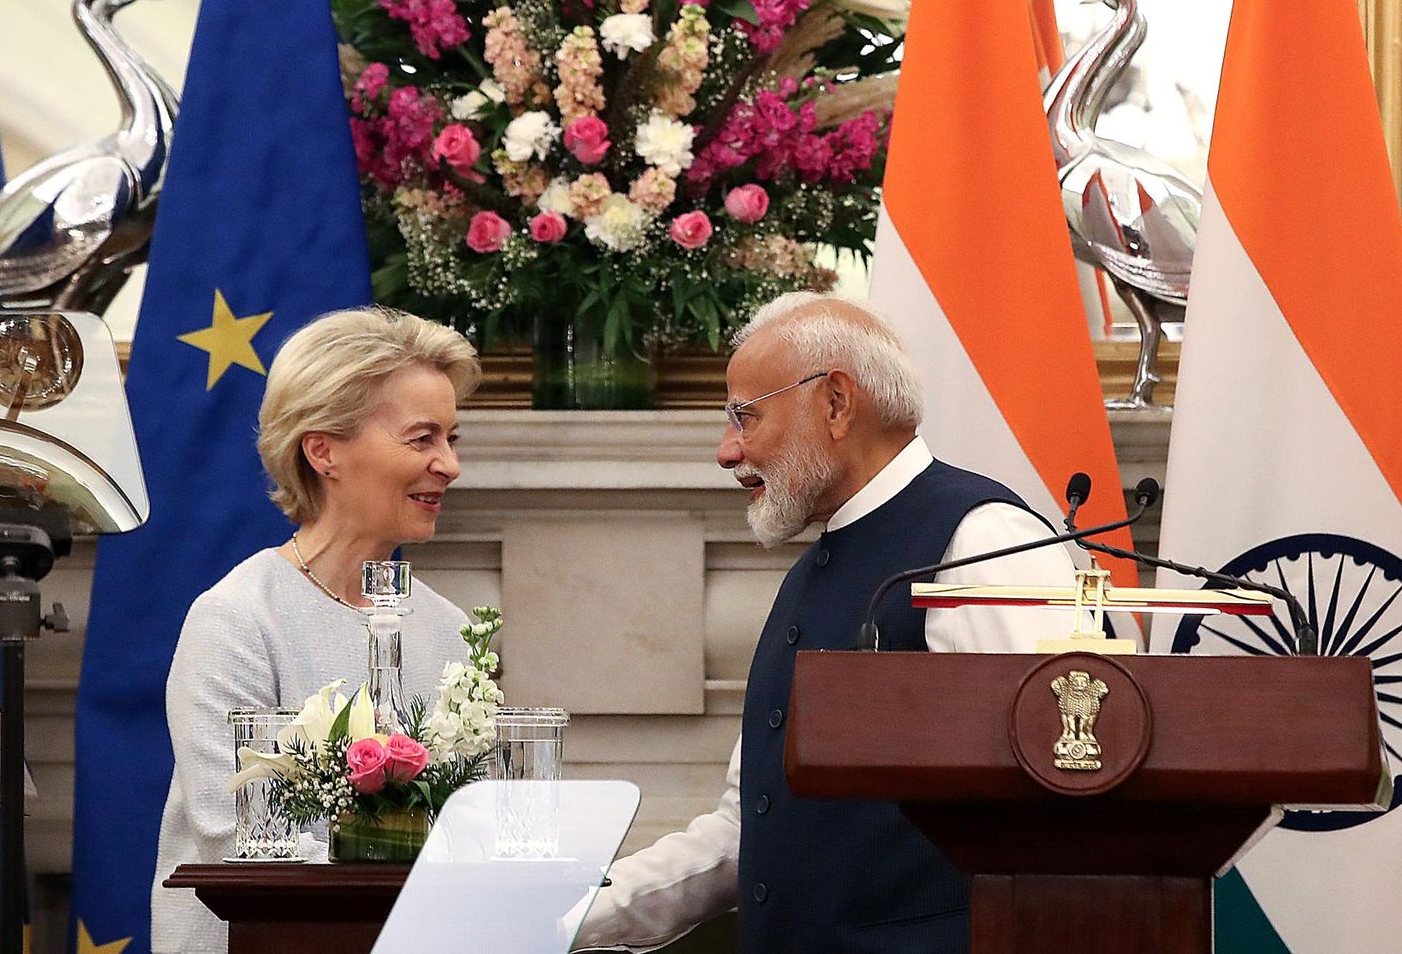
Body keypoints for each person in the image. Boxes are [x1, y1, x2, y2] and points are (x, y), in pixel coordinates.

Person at [574, 293, 1085, 953]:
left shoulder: (984, 539)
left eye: (745, 417)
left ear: (837, 403)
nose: (728, 451)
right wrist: (570, 915)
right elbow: (746, 831)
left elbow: (1064, 804)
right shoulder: (807, 571)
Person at [150, 307, 480, 954]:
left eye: (451, 438)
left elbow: (478, 824)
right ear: (323, 448)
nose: (449, 464)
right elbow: (235, 833)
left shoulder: (452, 629)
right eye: (422, 438)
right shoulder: (238, 618)